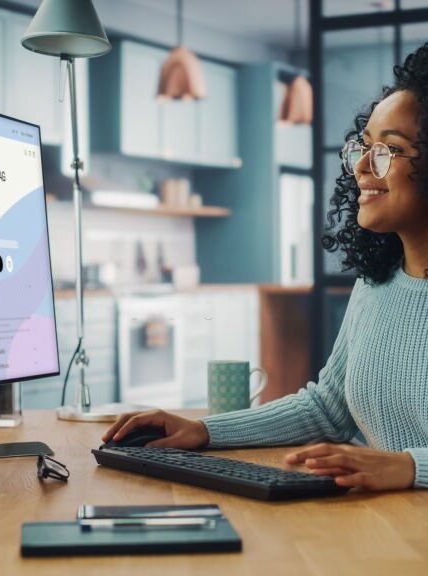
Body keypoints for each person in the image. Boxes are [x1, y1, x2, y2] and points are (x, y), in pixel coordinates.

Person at [103, 42, 428, 492]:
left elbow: (397, 461)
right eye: (364, 148)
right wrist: (204, 431)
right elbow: (328, 409)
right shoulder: (377, 284)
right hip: (377, 525)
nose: (362, 170)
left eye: (388, 150)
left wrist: (409, 467)